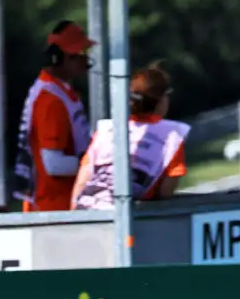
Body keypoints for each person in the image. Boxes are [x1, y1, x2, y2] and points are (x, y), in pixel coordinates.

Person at [70, 62, 190, 209]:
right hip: (127, 221)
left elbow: (82, 182)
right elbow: (165, 192)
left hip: (87, 212)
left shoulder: (106, 131)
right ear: (162, 100)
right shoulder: (173, 136)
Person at [13, 21, 95, 211]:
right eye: (79, 55)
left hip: (59, 205)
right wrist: (95, 165)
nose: (85, 60)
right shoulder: (51, 101)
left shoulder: (59, 92)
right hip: (53, 208)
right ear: (57, 59)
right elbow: (55, 165)